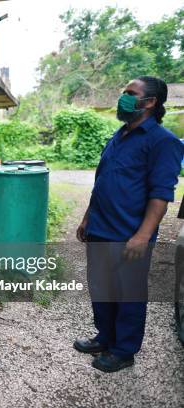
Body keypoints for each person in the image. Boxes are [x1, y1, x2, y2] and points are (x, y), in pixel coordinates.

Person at [75, 76, 184, 372]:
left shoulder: (164, 142)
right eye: (123, 91)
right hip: (100, 229)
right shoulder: (119, 134)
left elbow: (161, 195)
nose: (123, 97)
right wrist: (87, 217)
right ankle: (105, 337)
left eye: (130, 93)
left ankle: (124, 350)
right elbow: (103, 182)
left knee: (128, 294)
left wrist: (144, 235)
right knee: (101, 288)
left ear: (149, 102)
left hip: (129, 235)